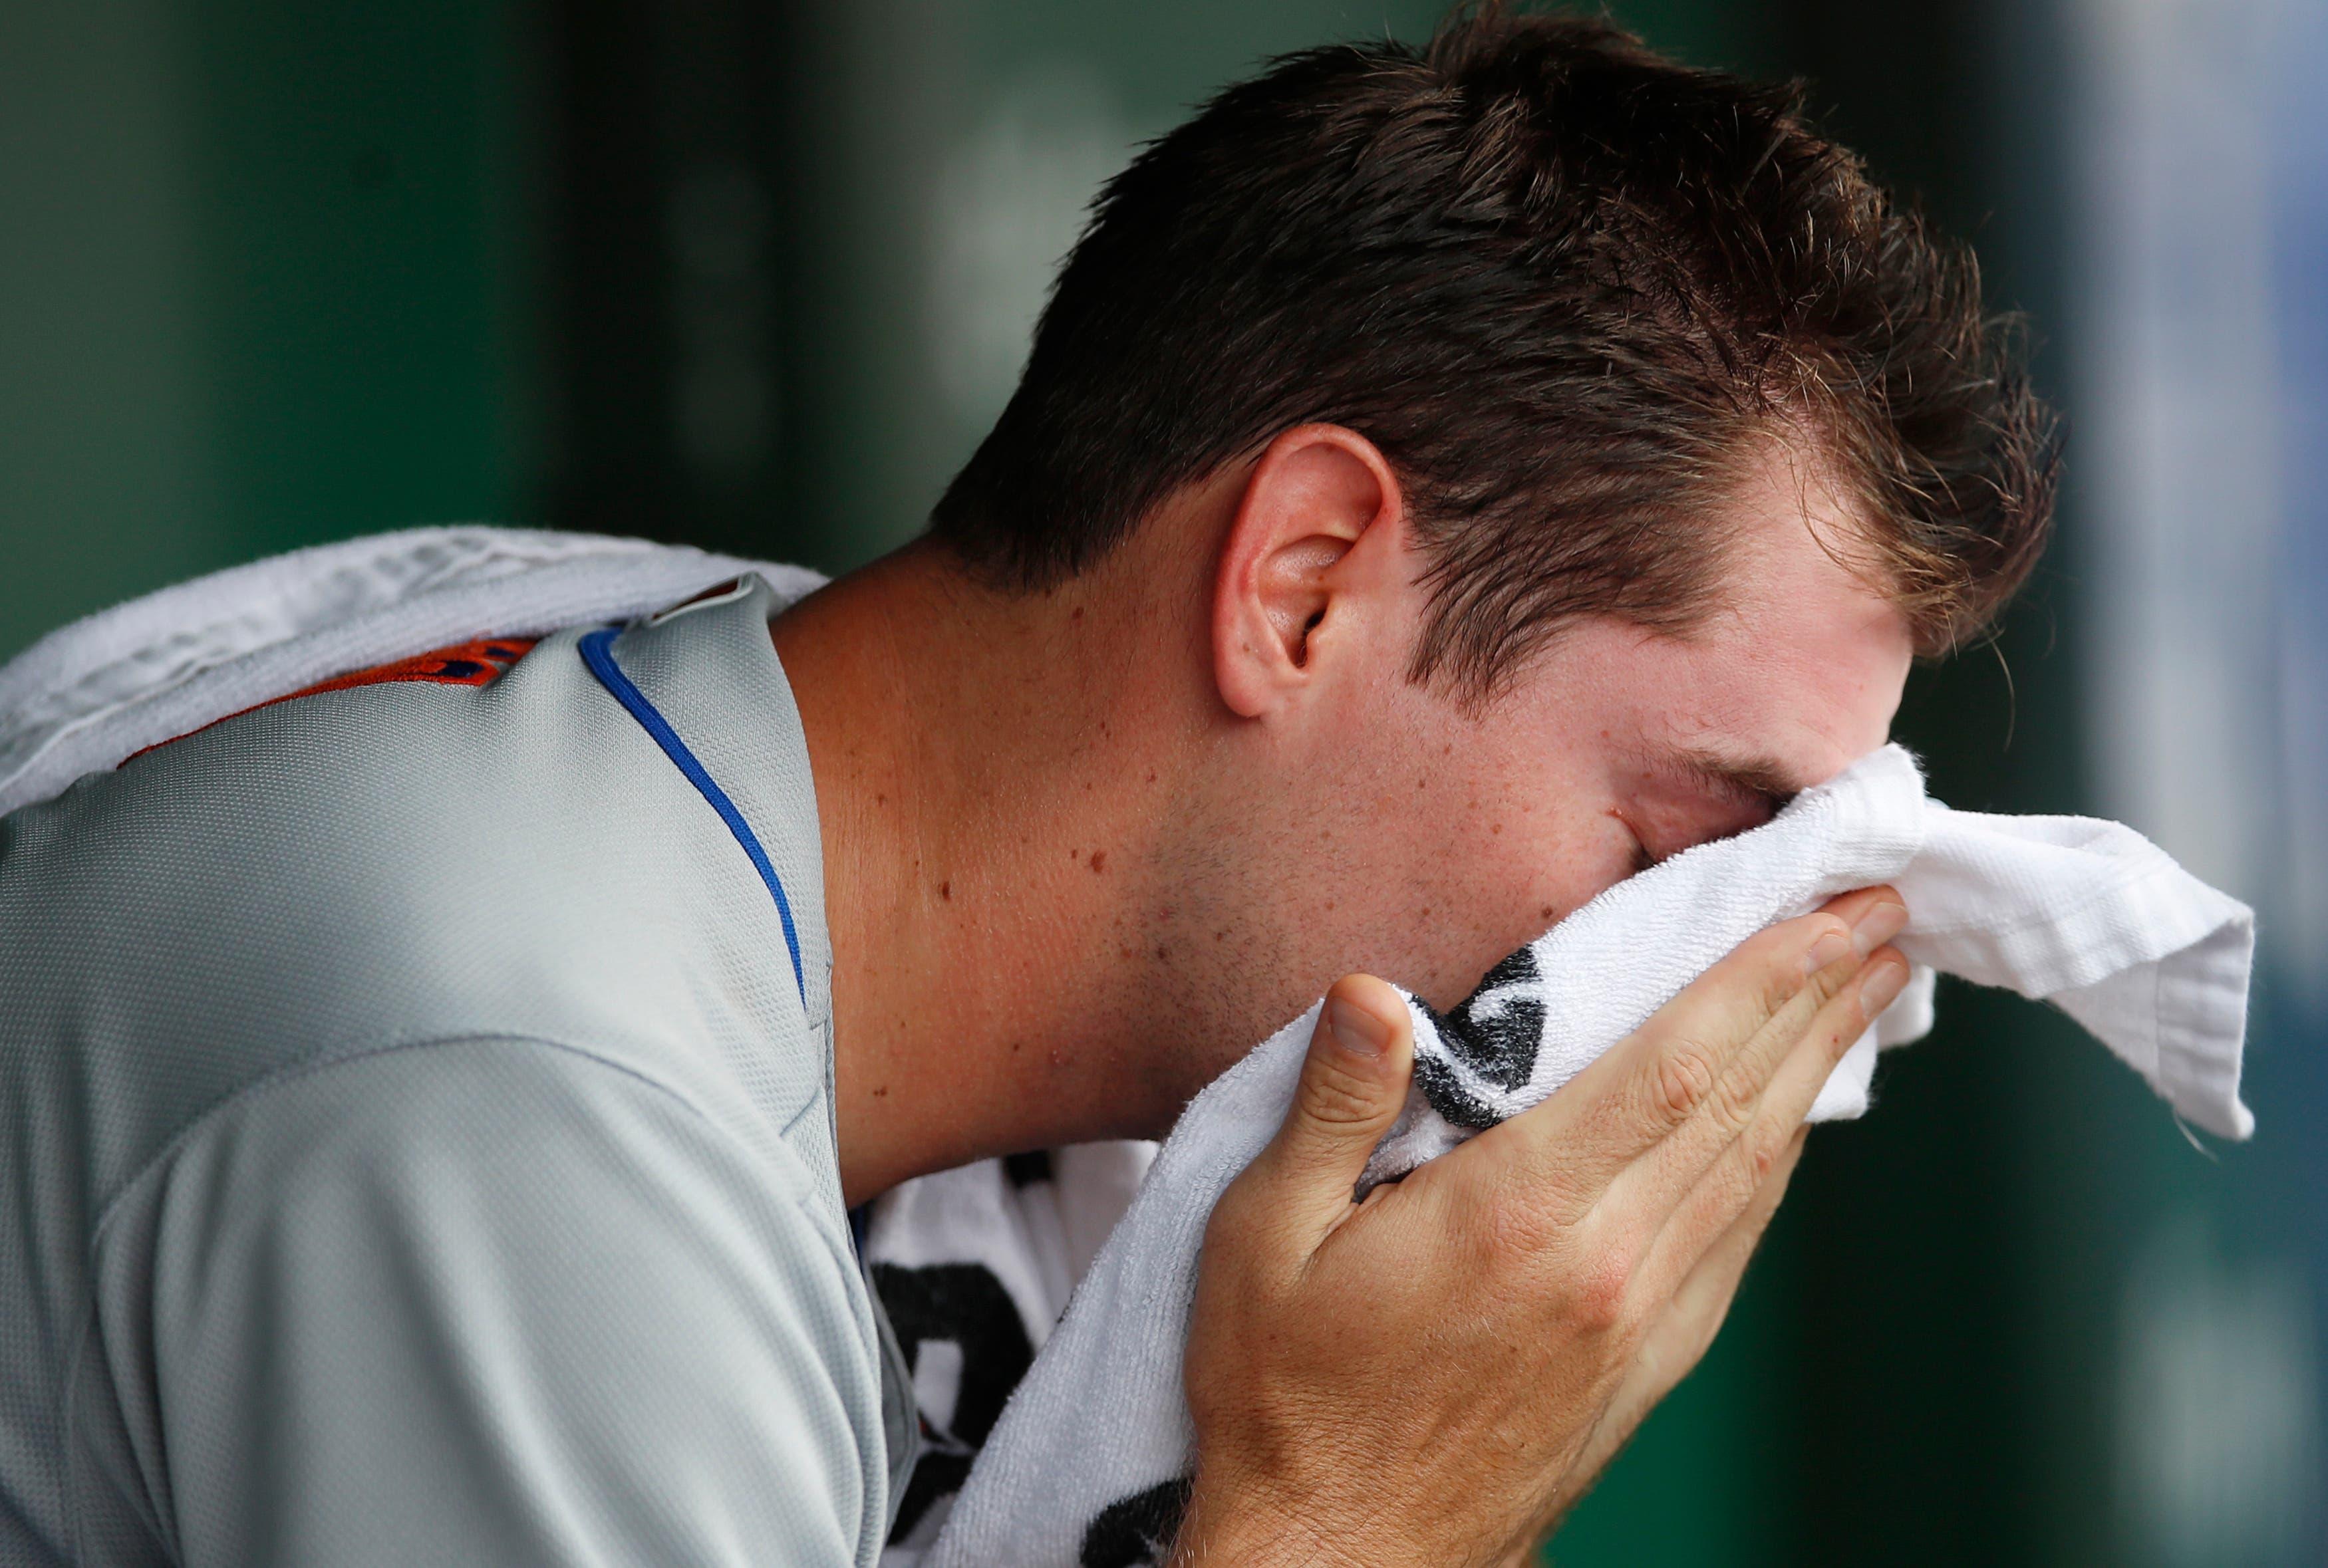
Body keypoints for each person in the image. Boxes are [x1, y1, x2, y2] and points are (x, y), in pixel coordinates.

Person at [0, 9, 2055, 1567]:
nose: (1696, 975)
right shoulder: (533, 1100)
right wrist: (1350, 1522)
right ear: (1306, 585)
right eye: (1679, 839)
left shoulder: (675, 763)